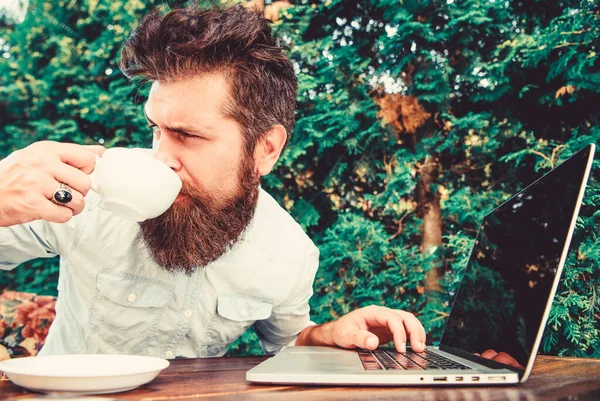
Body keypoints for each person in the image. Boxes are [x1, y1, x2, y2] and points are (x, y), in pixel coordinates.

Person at [0, 4, 426, 359]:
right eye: (155, 129)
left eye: (187, 135)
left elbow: (286, 342)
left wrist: (327, 334)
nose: (161, 158)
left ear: (266, 149)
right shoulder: (95, 190)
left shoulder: (288, 253)